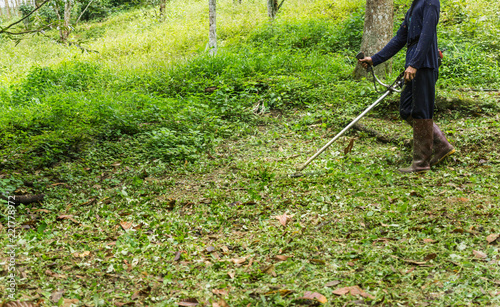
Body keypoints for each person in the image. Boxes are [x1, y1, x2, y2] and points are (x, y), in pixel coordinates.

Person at [358, 0, 455, 173]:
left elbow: (427, 34)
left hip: (423, 65)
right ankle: (441, 146)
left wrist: (415, 64)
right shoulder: (413, 7)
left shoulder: (430, 2)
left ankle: (421, 163)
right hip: (413, 65)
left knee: (420, 111)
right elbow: (399, 39)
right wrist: (375, 59)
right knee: (406, 109)